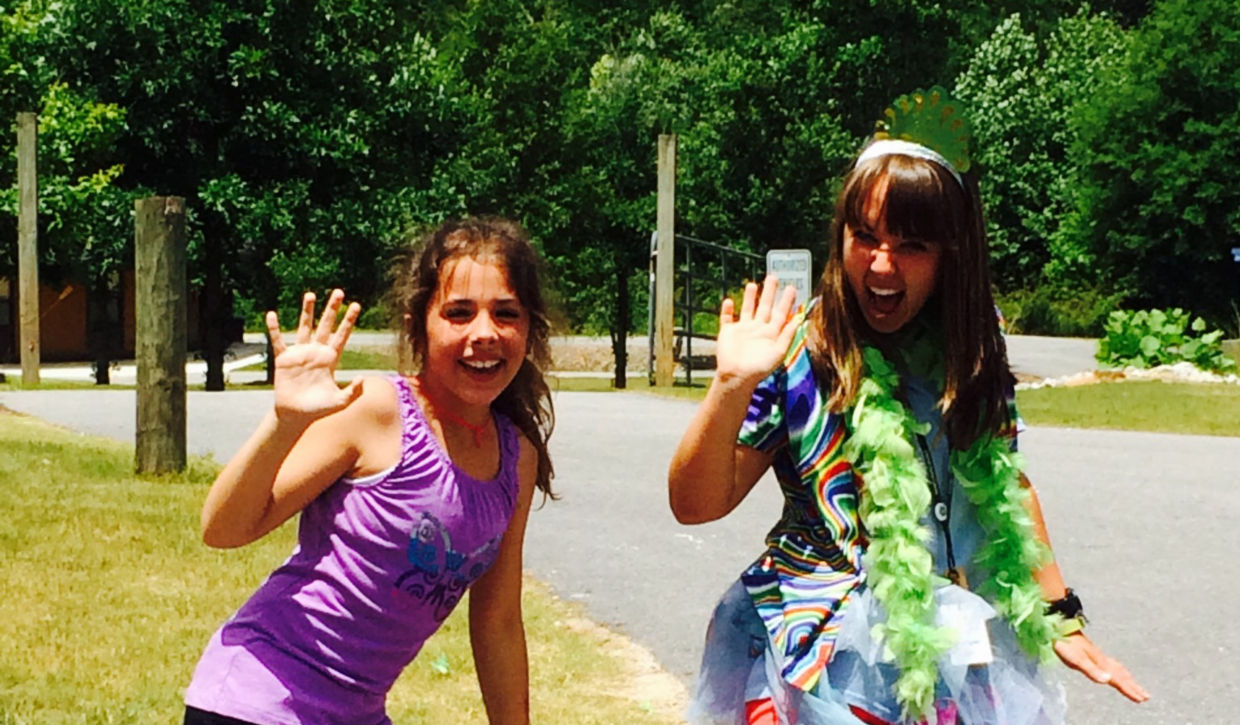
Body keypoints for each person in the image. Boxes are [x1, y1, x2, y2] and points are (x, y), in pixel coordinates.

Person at [668, 89, 1149, 724]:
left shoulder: (974, 345)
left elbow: (1007, 481)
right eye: (864, 237)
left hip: (957, 652)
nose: (881, 265)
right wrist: (731, 386)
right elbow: (695, 505)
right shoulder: (804, 352)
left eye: (912, 245)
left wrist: (1060, 615)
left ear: (951, 253)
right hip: (829, 660)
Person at [184, 217, 554, 725]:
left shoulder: (516, 456)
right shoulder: (377, 410)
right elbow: (223, 529)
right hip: (258, 695)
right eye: (459, 313)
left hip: (356, 711)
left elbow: (499, 621)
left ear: (530, 328)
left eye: (506, 313)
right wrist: (284, 423)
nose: (484, 333)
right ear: (418, 325)